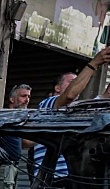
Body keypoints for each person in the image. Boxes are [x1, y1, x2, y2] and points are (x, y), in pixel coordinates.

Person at [33, 47, 110, 180]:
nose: (79, 85)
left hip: (70, 183)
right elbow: (69, 95)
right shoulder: (47, 105)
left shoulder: (76, 111)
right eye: (72, 82)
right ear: (57, 88)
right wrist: (94, 63)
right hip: (50, 181)